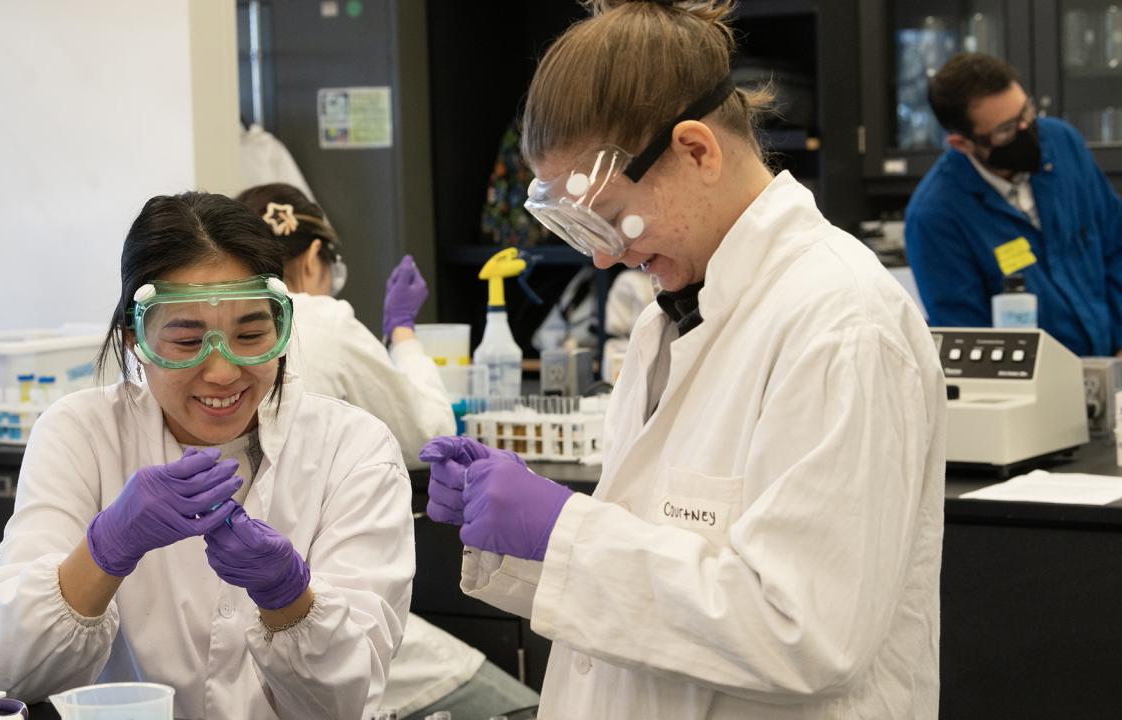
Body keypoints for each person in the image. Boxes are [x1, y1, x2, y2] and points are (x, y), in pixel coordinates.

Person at [420, 2, 946, 718]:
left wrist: (563, 527)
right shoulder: (667, 319)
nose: (604, 255)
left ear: (697, 151)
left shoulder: (841, 322)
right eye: (576, 228)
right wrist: (510, 533)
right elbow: (651, 586)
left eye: (609, 216)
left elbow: (805, 633)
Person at [0, 192, 413, 719]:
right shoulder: (80, 435)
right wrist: (105, 549)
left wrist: (289, 600)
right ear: (135, 338)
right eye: (185, 341)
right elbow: (2, 675)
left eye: (250, 335)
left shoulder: (353, 449)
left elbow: (346, 703)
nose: (222, 371)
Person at [237, 184, 538, 719]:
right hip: (293, 619)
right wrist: (401, 332)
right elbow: (429, 430)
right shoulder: (318, 318)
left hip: (280, 619)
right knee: (520, 707)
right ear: (312, 260)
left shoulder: (173, 351)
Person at [905, 52, 1122, 357]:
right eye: (1006, 129)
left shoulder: (1062, 144)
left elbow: (1116, 244)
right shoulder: (936, 217)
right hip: (1030, 392)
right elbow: (970, 345)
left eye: (1026, 112)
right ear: (961, 143)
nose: (1025, 130)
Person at [235, 183, 455, 468]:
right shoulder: (325, 320)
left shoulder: (210, 321)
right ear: (313, 259)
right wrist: (403, 332)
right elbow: (428, 438)